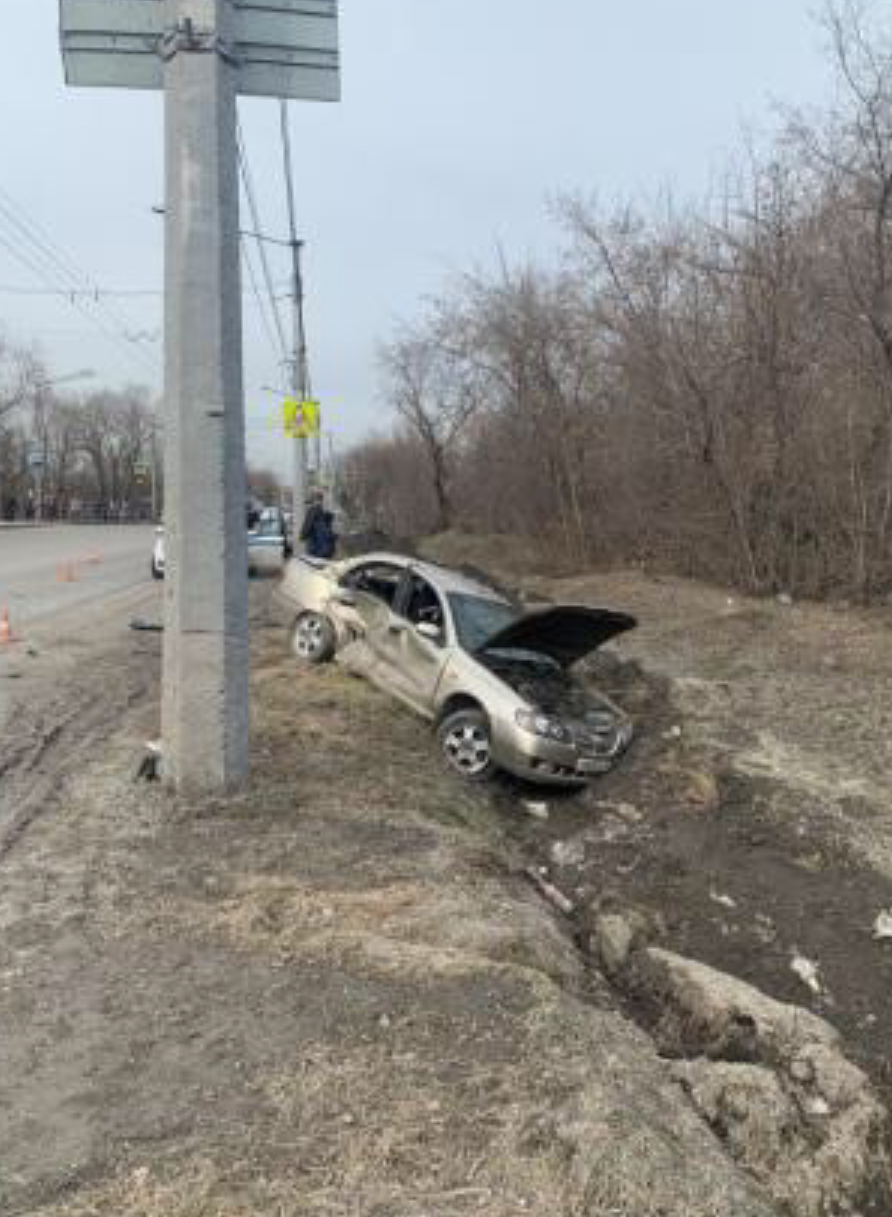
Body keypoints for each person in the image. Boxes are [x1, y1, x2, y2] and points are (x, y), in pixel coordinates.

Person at [300, 490, 338, 560]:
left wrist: (303, 535)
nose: (308, 505)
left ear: (315, 500)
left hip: (316, 545)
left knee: (314, 562)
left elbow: (308, 525)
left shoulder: (313, 511)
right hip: (324, 546)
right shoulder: (324, 512)